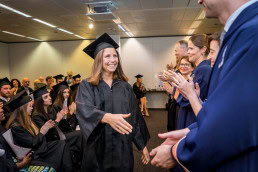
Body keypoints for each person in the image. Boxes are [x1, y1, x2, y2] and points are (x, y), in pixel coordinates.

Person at [150, 0, 258, 171]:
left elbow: (233, 122)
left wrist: (177, 152)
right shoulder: (240, 32)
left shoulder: (250, 33)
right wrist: (190, 132)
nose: (199, 0)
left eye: (191, 49)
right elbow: (221, 109)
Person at [76, 33, 150, 171]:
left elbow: (134, 117)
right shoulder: (87, 85)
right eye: (107, 56)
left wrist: (142, 145)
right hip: (98, 146)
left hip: (121, 146)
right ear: (99, 59)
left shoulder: (125, 87)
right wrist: (105, 117)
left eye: (115, 56)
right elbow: (84, 110)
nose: (112, 60)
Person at [5, 90, 73, 172]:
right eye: (30, 106)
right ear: (23, 109)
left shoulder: (26, 120)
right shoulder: (16, 127)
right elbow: (32, 143)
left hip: (40, 147)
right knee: (61, 147)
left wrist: (45, 129)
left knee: (62, 144)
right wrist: (43, 131)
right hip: (34, 154)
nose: (32, 108)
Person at [32, 85, 83, 171]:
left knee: (80, 135)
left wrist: (64, 116)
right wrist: (58, 119)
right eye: (46, 97)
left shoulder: (50, 110)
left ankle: (81, 161)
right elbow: (48, 132)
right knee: (79, 135)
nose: (49, 98)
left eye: (49, 95)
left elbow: (62, 126)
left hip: (60, 135)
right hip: (51, 141)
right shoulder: (37, 116)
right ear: (40, 101)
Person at [0, 102, 32, 172]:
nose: (2, 110)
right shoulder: (15, 126)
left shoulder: (2, 128)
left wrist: (17, 158)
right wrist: (21, 164)